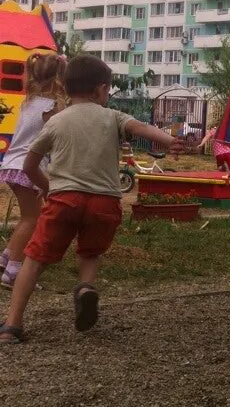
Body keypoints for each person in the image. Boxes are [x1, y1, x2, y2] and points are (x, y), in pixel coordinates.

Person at [0, 55, 183, 344]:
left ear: (68, 87)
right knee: (89, 252)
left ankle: (12, 326)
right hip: (104, 203)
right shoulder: (113, 117)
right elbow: (142, 129)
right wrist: (172, 141)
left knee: (34, 259)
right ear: (100, 90)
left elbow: (29, 166)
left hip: (64, 199)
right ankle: (85, 288)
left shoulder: (56, 121)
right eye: (107, 90)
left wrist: (47, 188)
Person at [0, 53, 67, 289]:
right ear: (60, 78)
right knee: (33, 219)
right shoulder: (51, 107)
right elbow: (55, 137)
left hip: (13, 164)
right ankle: (13, 272)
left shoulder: (28, 102)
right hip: (28, 167)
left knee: (28, 217)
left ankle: (7, 259)